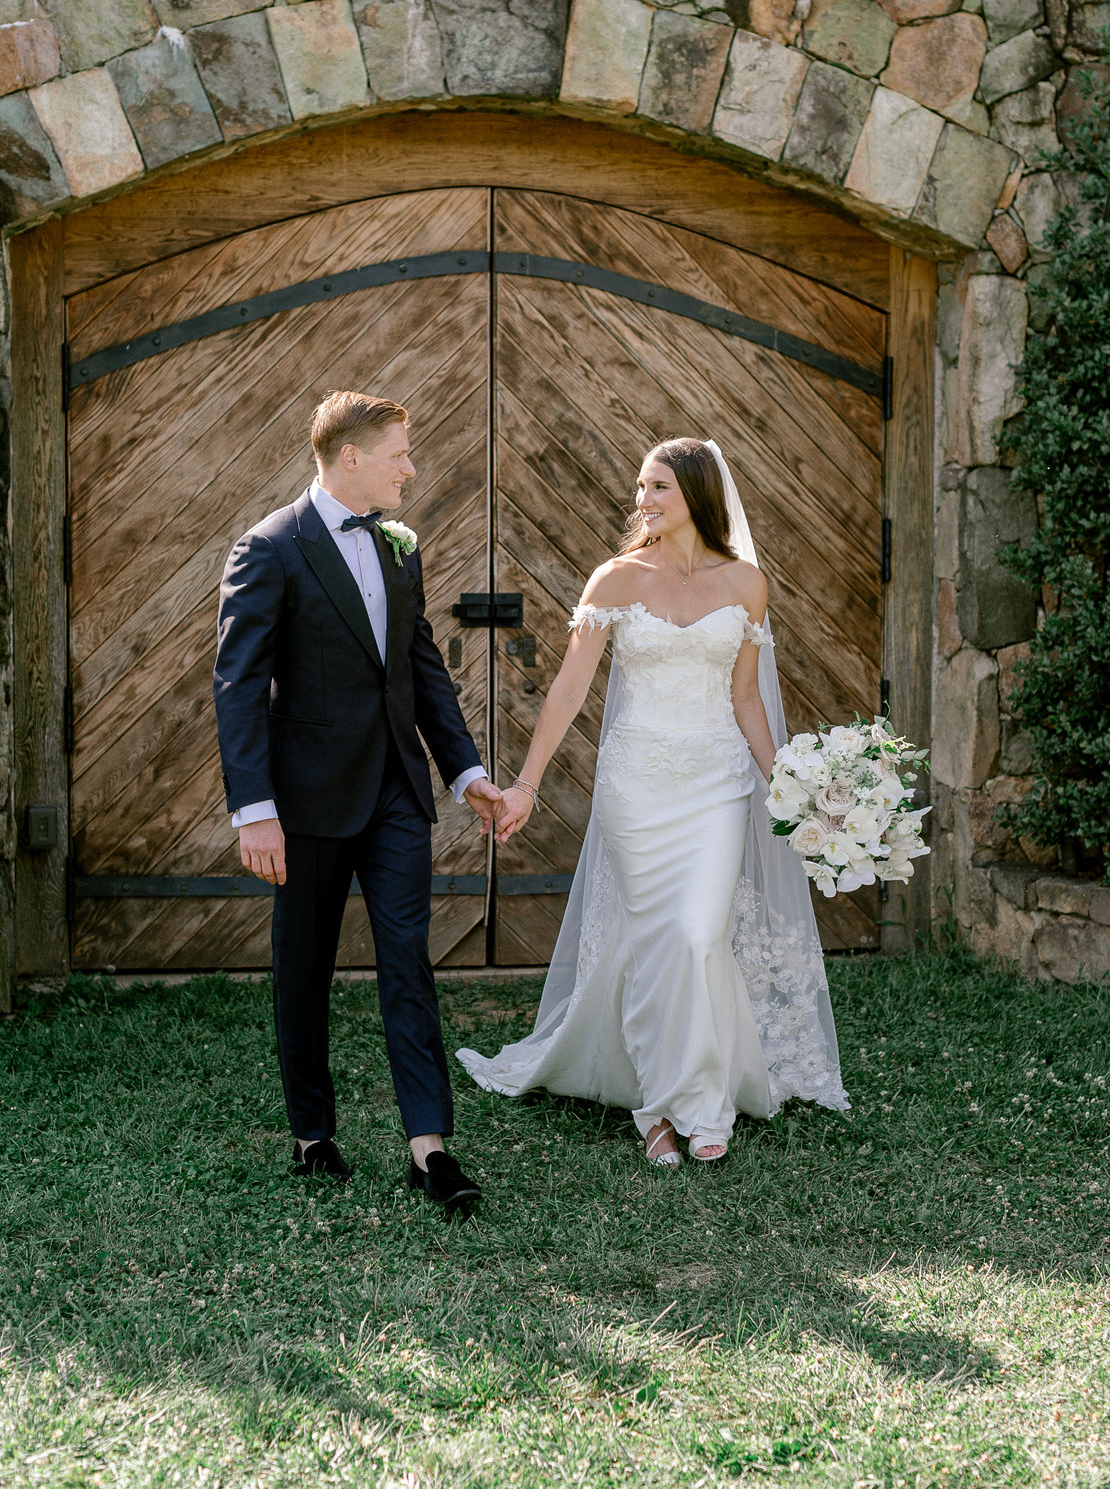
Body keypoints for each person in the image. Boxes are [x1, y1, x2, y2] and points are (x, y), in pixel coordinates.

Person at [457, 438, 847, 1164]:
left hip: (717, 785)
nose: (642, 501)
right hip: (635, 782)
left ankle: (695, 1102)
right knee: (654, 937)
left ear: (696, 495)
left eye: (658, 487)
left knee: (697, 935)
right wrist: (526, 784)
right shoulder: (613, 580)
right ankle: (664, 1109)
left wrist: (790, 789)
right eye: (640, 487)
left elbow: (746, 702)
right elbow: (570, 690)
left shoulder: (745, 584)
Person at [214, 390, 502, 1209]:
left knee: (407, 961)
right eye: (398, 454)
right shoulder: (270, 547)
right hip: (303, 803)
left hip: (397, 795)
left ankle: (428, 1150)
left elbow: (421, 672)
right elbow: (238, 689)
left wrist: (466, 773)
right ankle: (312, 1136)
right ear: (351, 457)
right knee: (301, 970)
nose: (411, 467)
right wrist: (254, 809)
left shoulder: (398, 547)